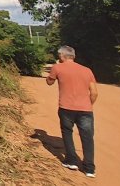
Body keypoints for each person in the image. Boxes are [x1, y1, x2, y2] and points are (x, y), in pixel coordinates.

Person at [46, 45, 98, 178]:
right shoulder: (87, 70)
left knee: (67, 133)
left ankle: (72, 161)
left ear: (61, 56)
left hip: (66, 108)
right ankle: (89, 168)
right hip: (86, 109)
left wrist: (53, 71)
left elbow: (49, 82)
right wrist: (88, 104)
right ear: (73, 56)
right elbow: (94, 92)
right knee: (87, 137)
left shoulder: (57, 67)